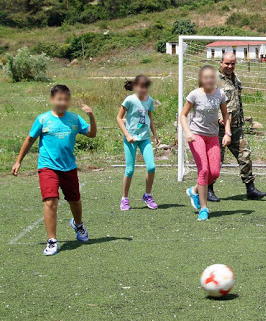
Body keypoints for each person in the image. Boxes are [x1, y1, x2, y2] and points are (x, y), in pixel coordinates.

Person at [11, 85, 97, 256]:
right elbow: (29, 140)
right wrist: (18, 161)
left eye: (65, 99)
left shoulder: (74, 119)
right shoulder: (43, 119)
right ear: (52, 100)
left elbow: (92, 134)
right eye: (59, 99)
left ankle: (78, 224)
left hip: (69, 168)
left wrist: (91, 116)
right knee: (50, 201)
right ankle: (52, 240)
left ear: (69, 101)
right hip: (47, 167)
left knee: (75, 200)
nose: (62, 103)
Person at [207, 52, 266, 201]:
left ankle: (250, 188)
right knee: (216, 160)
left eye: (232, 63)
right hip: (218, 129)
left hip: (236, 126)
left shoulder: (235, 78)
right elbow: (206, 102)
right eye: (227, 63)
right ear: (221, 62)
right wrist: (218, 116)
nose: (230, 66)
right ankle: (208, 190)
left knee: (245, 155)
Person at [179, 65, 232, 221]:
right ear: (201, 79)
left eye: (212, 77)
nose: (209, 80)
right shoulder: (194, 95)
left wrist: (227, 133)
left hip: (213, 136)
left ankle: (194, 190)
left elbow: (225, 115)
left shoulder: (220, 94)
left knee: (214, 173)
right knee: (203, 171)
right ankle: (204, 208)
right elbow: (183, 115)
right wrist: (187, 132)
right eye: (206, 77)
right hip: (196, 136)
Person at [116, 75, 160, 211]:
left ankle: (147, 195)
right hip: (131, 139)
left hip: (145, 138)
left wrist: (155, 134)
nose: (143, 89)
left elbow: (150, 118)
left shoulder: (150, 100)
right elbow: (119, 118)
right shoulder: (130, 100)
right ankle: (124, 198)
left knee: (151, 167)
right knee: (130, 170)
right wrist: (127, 135)